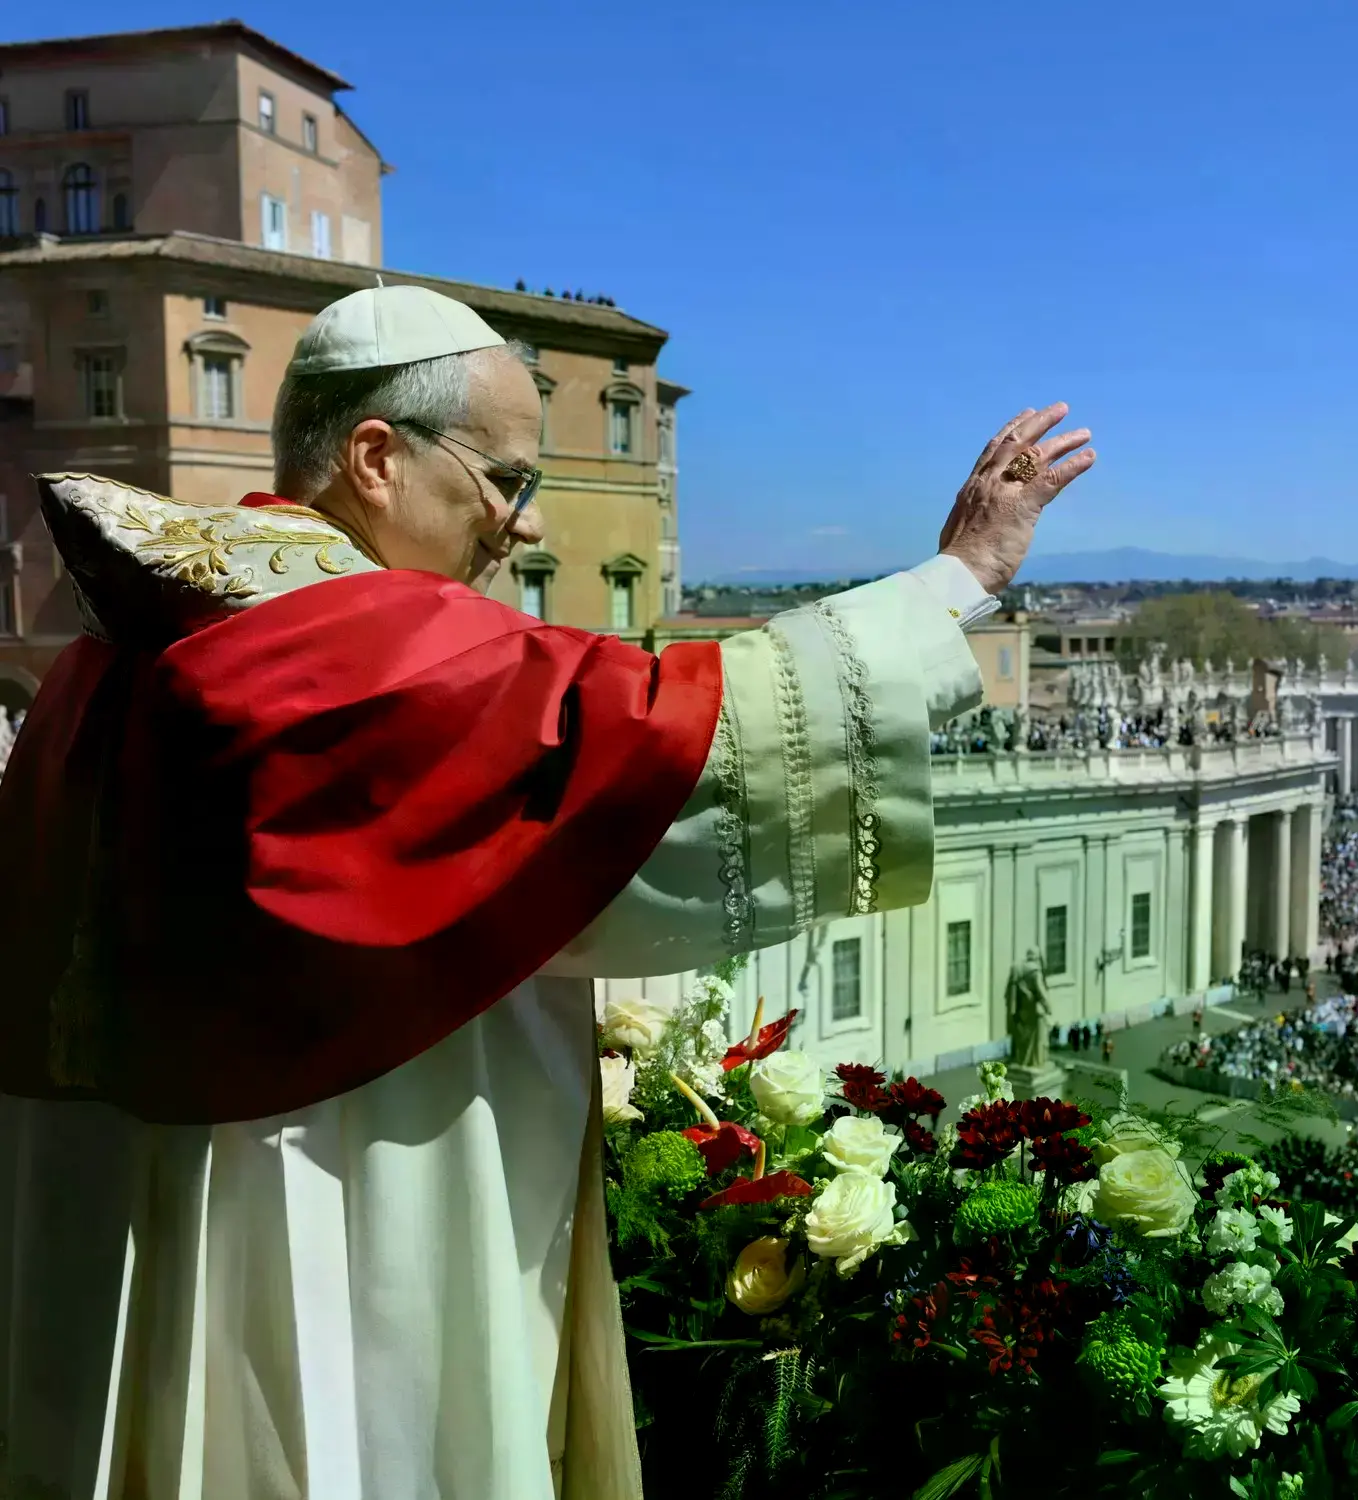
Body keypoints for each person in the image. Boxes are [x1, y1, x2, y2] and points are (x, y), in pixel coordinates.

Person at [0, 284, 1096, 1500]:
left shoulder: (125, 643)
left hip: (141, 1217)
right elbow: (668, 742)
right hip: (350, 1205)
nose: (518, 528)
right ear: (375, 456)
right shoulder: (349, 645)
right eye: (503, 480)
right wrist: (957, 580)